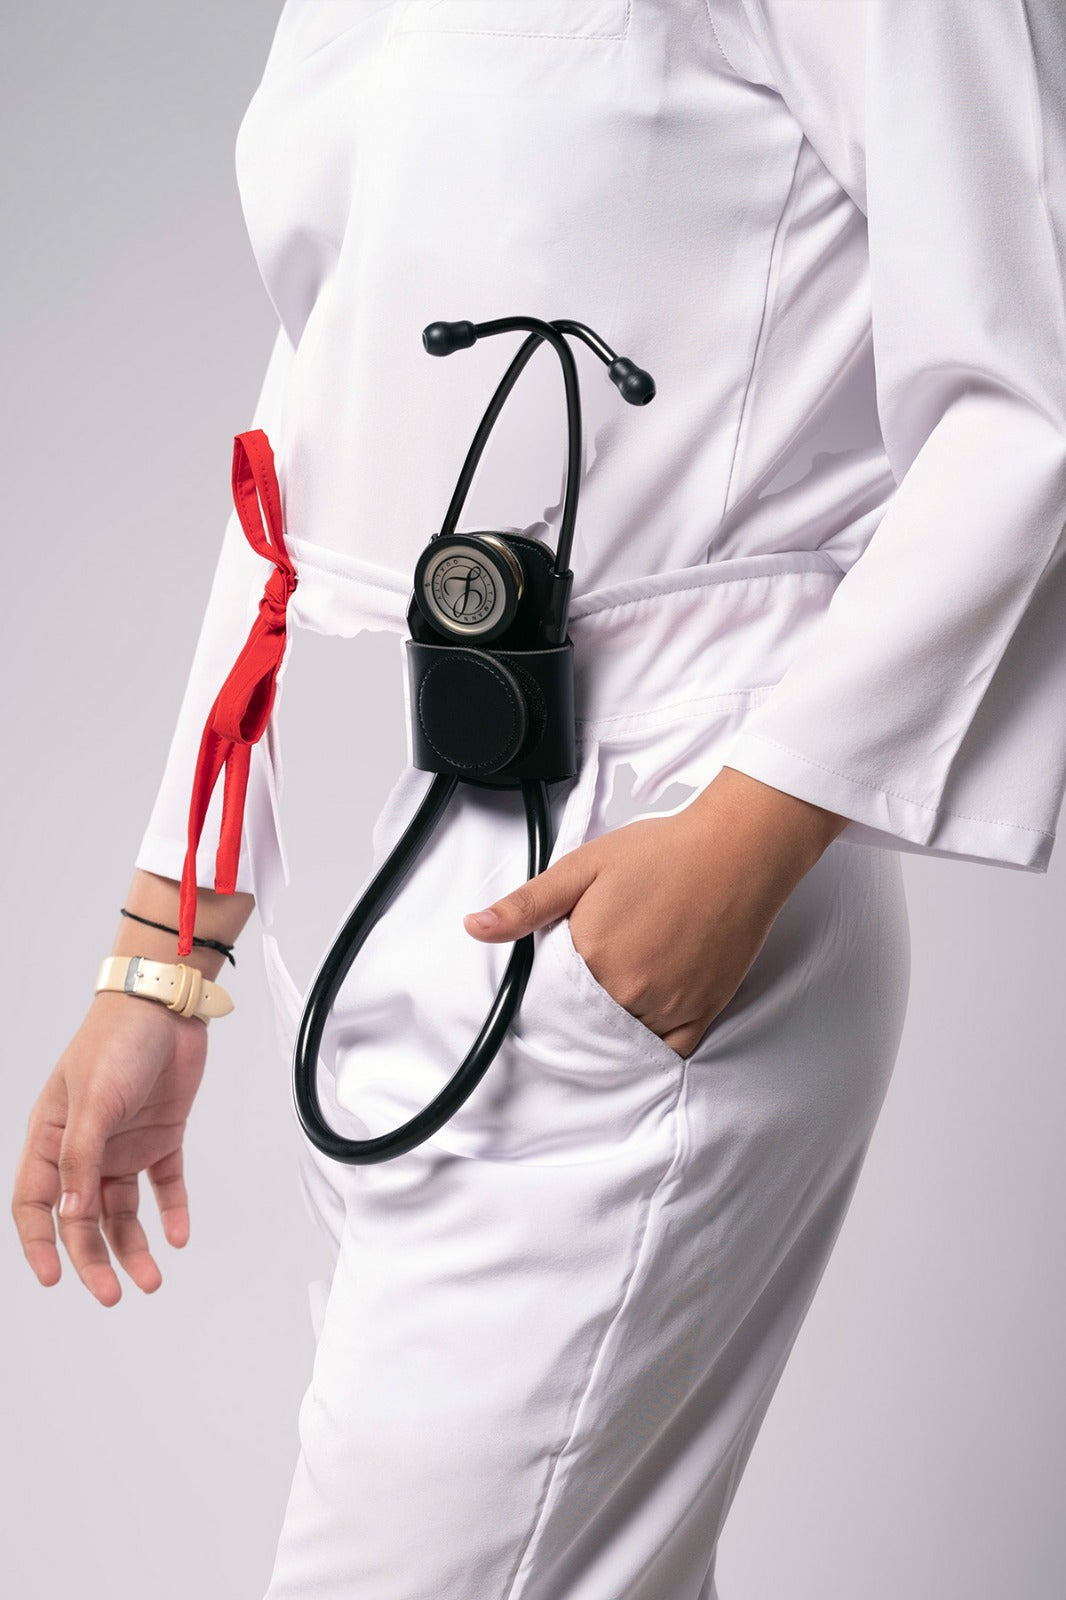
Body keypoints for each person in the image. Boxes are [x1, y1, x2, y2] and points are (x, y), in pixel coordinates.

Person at [12, 3, 1066, 1596]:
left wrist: (747, 833)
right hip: (436, 835)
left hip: (677, 824)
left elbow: (1024, 383)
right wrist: (162, 953)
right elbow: (305, 415)